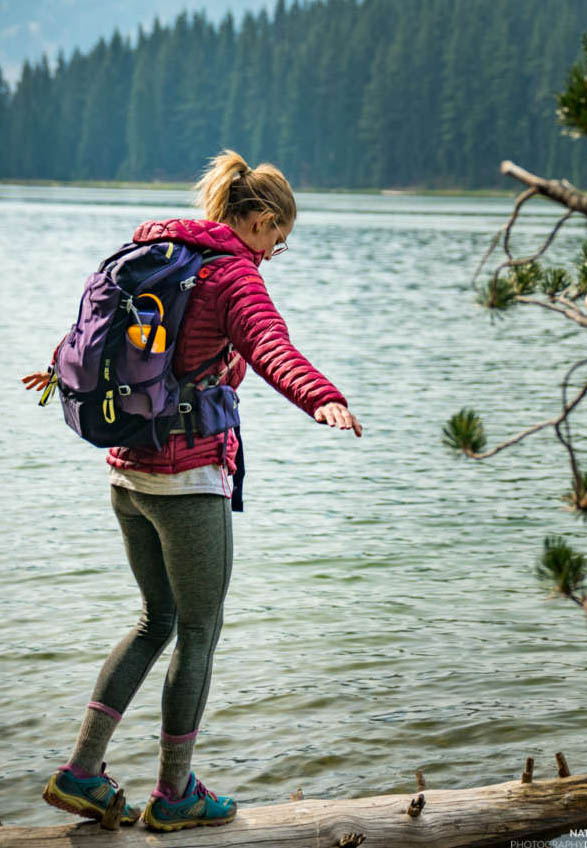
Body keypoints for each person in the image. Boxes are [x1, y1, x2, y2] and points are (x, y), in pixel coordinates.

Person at [21, 150, 362, 832]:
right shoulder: (233, 275)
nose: (274, 252)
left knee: (157, 620)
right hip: (187, 478)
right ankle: (176, 795)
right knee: (199, 631)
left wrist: (58, 368)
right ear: (260, 219)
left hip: (126, 471)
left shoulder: (157, 251)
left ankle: (83, 773)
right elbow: (271, 347)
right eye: (279, 239)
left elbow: (107, 337)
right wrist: (322, 399)